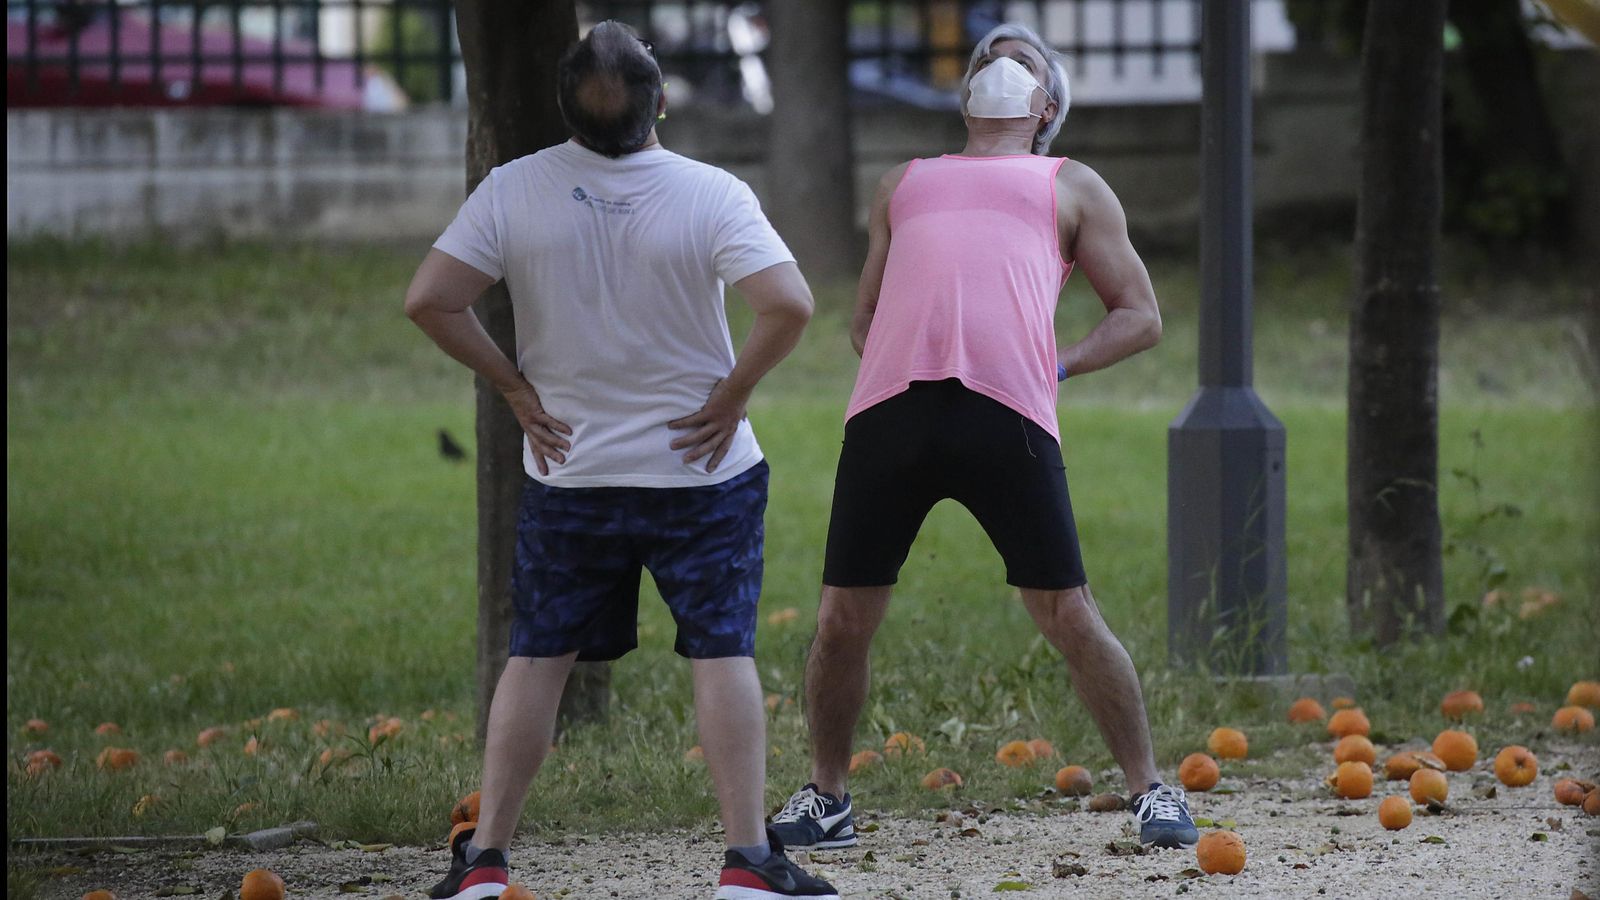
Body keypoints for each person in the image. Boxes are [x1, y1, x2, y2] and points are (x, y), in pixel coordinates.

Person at [404, 21, 837, 900]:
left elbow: (430, 300)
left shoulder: (511, 189)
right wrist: (733, 395)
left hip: (570, 474)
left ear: (565, 107)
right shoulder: (711, 193)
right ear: (661, 103)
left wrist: (517, 392)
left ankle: (485, 859)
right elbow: (788, 304)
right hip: (703, 472)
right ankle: (747, 861)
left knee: (539, 657)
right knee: (722, 652)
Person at [768, 22, 1199, 852]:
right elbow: (863, 315)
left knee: (1067, 611)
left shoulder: (1070, 185)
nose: (1001, 64)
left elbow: (1140, 316)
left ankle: (1150, 789)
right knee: (841, 619)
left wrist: (1055, 367)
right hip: (890, 412)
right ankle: (828, 797)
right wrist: (910, 351)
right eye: (988, 59)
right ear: (965, 93)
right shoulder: (905, 182)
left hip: (1009, 412)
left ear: (1046, 106)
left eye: (1024, 61)